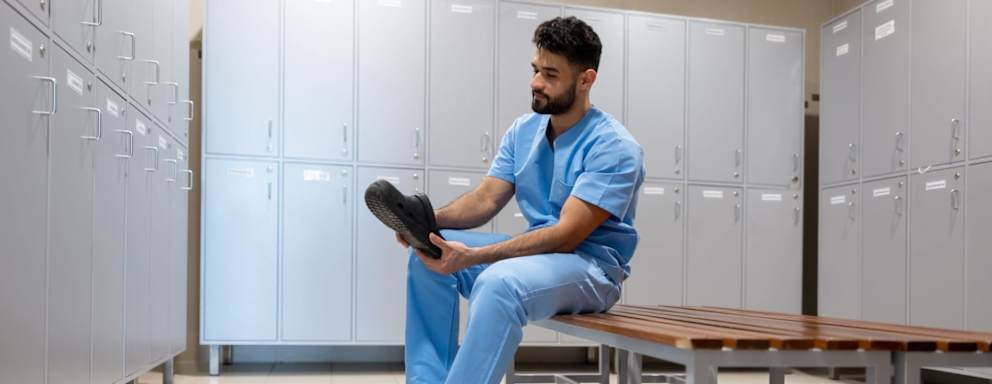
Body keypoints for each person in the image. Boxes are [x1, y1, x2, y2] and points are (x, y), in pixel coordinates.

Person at [400, 16, 645, 384]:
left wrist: (476, 256)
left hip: (591, 268)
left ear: (585, 80)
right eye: (535, 69)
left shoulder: (615, 147)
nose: (535, 83)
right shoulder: (524, 130)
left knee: (500, 283)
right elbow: (486, 199)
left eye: (550, 74)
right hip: (539, 258)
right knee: (426, 255)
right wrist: (427, 224)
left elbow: (566, 236)